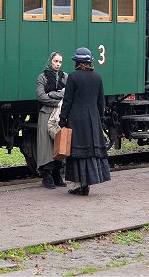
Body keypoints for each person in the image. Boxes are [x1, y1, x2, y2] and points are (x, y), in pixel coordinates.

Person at [58, 47, 110, 196]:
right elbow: (101, 102)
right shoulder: (97, 77)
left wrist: (63, 120)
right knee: (90, 152)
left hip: (76, 119)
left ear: (78, 62)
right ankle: (87, 184)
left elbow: (67, 101)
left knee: (77, 152)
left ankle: (78, 185)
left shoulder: (73, 77)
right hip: (93, 119)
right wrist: (100, 119)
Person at [35, 51, 68, 189]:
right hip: (46, 113)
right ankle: (47, 175)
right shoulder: (42, 77)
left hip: (60, 114)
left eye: (60, 62)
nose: (58, 64)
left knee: (60, 143)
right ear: (50, 61)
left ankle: (57, 174)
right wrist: (58, 101)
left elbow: (68, 94)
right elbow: (41, 96)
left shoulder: (65, 76)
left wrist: (53, 95)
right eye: (55, 61)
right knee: (46, 145)